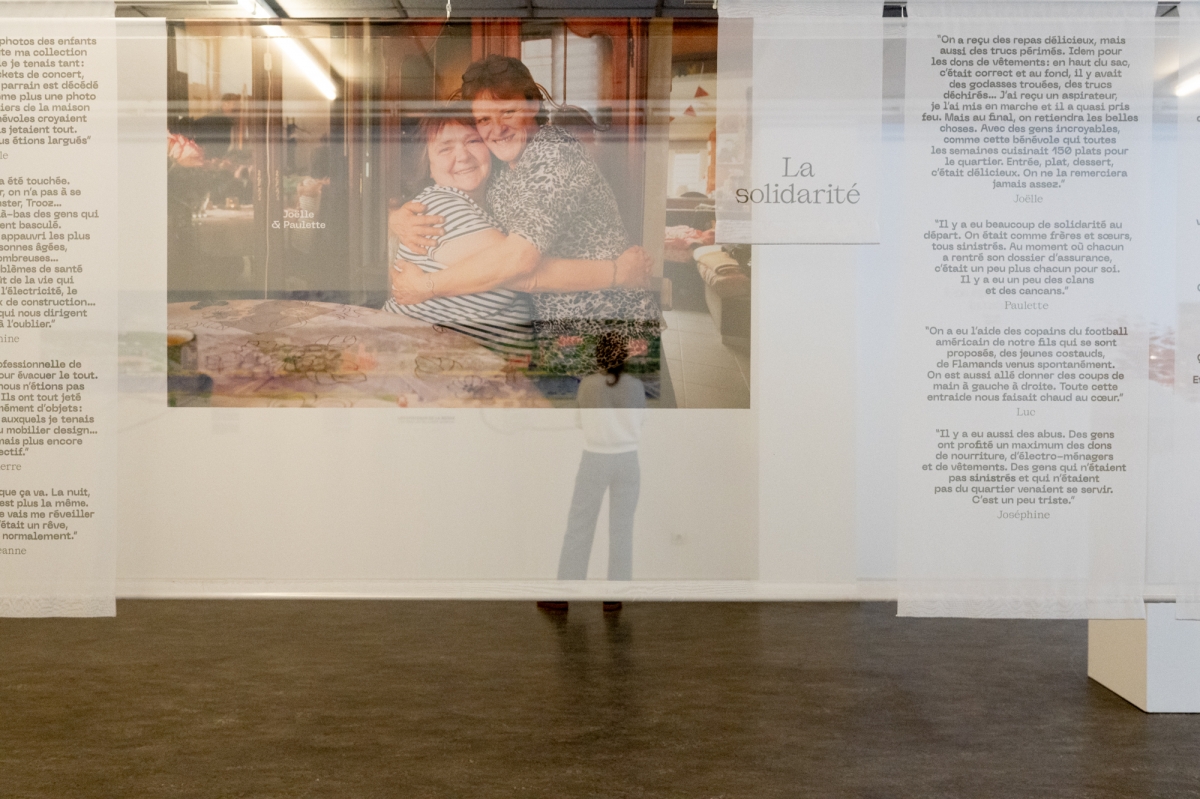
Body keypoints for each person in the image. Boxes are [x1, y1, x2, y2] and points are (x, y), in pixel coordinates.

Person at [389, 55, 660, 383]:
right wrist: (395, 218)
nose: (497, 129)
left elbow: (518, 263)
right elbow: (455, 192)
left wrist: (425, 286)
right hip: (562, 347)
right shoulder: (502, 169)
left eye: (508, 112)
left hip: (609, 338)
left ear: (532, 105)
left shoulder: (554, 153)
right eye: (483, 120)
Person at [552, 332, 646, 608]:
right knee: (622, 531)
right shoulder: (637, 386)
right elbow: (641, 422)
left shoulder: (588, 384)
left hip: (594, 459)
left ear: (599, 356)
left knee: (579, 527)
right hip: (628, 461)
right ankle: (615, 596)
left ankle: (564, 593)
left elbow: (579, 422)